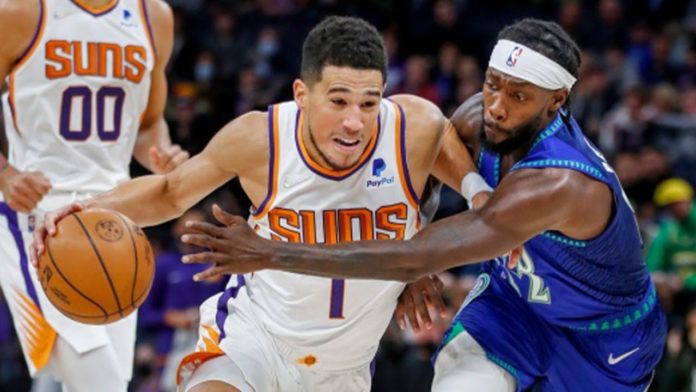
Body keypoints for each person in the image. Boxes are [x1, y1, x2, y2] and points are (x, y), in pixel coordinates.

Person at [171, 19, 668, 391]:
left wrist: (272, 252)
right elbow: (420, 188)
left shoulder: (558, 183)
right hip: (514, 308)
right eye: (493, 84)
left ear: (556, 101)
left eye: (519, 96)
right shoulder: (481, 121)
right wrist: (410, 264)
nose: (496, 104)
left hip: (602, 338)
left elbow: (416, 255)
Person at [32, 16, 488, 392]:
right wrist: (86, 208)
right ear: (301, 95)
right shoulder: (261, 140)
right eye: (338, 100)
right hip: (253, 340)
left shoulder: (415, 129)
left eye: (369, 103)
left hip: (345, 367)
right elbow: (169, 192)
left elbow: (475, 202)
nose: (355, 122)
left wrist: (416, 260)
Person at [0, 0, 188, 391]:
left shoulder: (154, 17)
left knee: (111, 382)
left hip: (114, 215)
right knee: (97, 381)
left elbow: (150, 124)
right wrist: (5, 173)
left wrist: (162, 153)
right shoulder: (19, 12)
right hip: (36, 214)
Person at [647, 178, 696, 317]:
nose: (674, 209)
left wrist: (686, 281)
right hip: (679, 294)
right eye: (669, 206)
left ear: (689, 199)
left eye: (677, 203)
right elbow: (652, 266)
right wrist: (663, 280)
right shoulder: (667, 231)